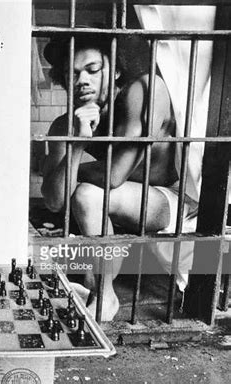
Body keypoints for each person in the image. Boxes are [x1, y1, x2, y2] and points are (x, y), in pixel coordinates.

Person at [41, 35, 198, 321]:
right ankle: (97, 285)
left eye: (92, 69)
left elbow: (114, 175)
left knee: (86, 194)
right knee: (82, 194)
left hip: (172, 202)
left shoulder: (145, 89)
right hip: (126, 204)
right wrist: (77, 144)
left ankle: (105, 296)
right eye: (72, 73)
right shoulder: (66, 123)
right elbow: (53, 201)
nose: (81, 80)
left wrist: (69, 173)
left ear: (114, 70)